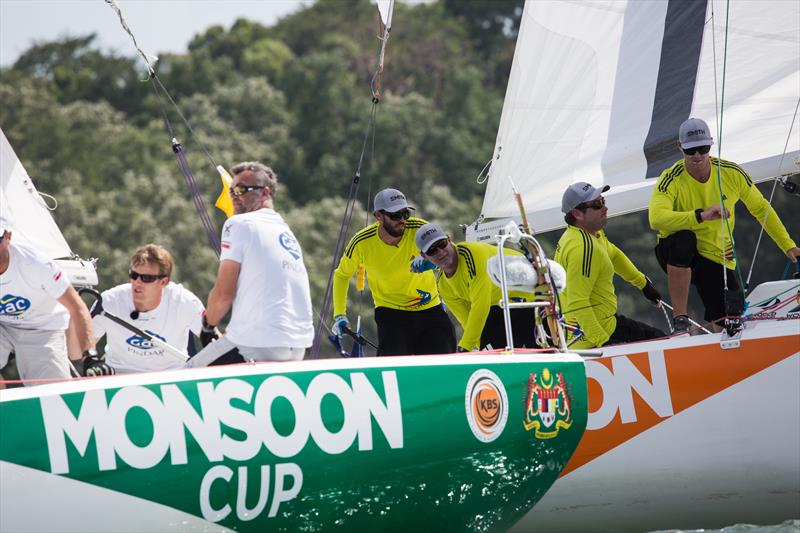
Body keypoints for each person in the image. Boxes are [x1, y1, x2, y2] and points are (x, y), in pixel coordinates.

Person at [650, 117, 800, 332]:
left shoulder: (731, 172)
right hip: (677, 252)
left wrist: (788, 245)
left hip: (716, 253)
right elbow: (656, 218)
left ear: (711, 145)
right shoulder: (670, 178)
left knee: (728, 322)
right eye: (691, 150)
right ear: (680, 147)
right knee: (684, 240)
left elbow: (760, 208)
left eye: (703, 148)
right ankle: (680, 320)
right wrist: (701, 216)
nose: (698, 156)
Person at [187, 161, 313, 367]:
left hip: (254, 344)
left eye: (242, 190)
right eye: (232, 191)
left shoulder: (239, 224)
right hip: (297, 348)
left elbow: (223, 294)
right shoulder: (285, 230)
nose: (234, 196)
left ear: (264, 192)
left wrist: (208, 326)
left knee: (185, 378)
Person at [331, 188, 456, 356]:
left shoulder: (420, 229)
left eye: (406, 214)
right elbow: (342, 275)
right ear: (378, 216)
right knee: (393, 372)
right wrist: (340, 314)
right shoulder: (362, 242)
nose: (402, 220)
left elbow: (452, 254)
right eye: (395, 215)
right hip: (391, 314)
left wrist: (432, 264)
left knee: (443, 368)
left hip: (429, 309)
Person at [0, 217, 110, 385]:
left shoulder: (35, 263)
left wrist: (91, 356)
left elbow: (77, 307)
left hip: (42, 326)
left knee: (52, 394)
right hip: (2, 325)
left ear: (8, 237)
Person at [555, 183, 665, 348]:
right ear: (577, 213)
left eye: (603, 200)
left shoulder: (592, 234)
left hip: (606, 323)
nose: (605, 208)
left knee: (661, 340)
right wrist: (604, 343)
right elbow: (577, 302)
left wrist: (643, 284)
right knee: (662, 342)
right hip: (594, 336)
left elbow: (613, 254)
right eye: (597, 205)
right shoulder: (583, 248)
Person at [416, 222, 540, 352]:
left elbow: (481, 305)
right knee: (490, 350)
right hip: (499, 308)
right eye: (432, 250)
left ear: (449, 240)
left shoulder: (472, 255)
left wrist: (465, 347)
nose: (440, 252)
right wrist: (479, 348)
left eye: (441, 244)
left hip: (530, 297)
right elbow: (467, 320)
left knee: (541, 362)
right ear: (424, 256)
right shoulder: (443, 286)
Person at [92, 244, 206, 373]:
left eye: (147, 278)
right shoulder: (109, 301)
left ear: (163, 282)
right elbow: (78, 352)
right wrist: (76, 311)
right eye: (134, 275)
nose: (137, 283)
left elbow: (213, 342)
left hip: (172, 378)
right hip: (119, 376)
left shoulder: (185, 302)